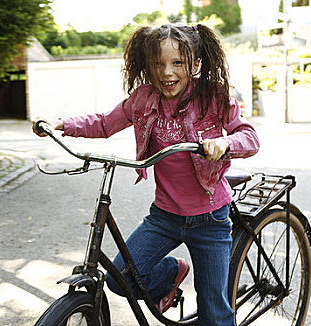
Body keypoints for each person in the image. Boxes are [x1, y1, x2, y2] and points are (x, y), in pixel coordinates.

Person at [32, 23, 259, 326]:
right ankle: (171, 275)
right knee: (121, 278)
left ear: (195, 64)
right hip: (165, 215)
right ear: (148, 65)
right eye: (158, 64)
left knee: (214, 311)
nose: (167, 72)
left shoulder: (212, 97)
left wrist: (225, 142)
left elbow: (250, 137)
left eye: (177, 63)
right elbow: (104, 122)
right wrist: (61, 124)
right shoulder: (143, 98)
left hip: (210, 218)